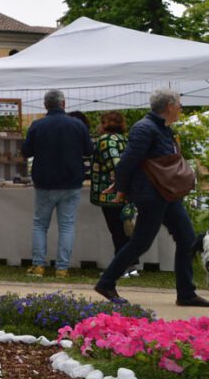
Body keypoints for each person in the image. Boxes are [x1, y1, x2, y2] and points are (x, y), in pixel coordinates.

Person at [95, 89, 209, 307]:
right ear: (169, 106)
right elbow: (128, 160)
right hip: (151, 194)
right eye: (179, 104)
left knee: (186, 238)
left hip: (165, 193)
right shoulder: (145, 128)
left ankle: (186, 293)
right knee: (141, 242)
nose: (181, 108)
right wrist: (120, 188)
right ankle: (106, 282)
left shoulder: (162, 128)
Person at [22, 89, 93, 278]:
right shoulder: (77, 125)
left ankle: (38, 265)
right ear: (64, 103)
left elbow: (26, 151)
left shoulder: (37, 125)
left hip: (44, 182)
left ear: (45, 105)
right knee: (67, 226)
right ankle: (62, 268)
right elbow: (89, 150)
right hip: (71, 182)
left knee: (40, 225)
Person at [89, 112, 139, 278]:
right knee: (127, 229)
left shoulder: (106, 140)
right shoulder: (124, 139)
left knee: (117, 231)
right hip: (126, 190)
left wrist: (118, 182)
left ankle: (120, 268)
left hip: (110, 193)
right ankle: (132, 266)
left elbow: (116, 164)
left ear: (105, 124)